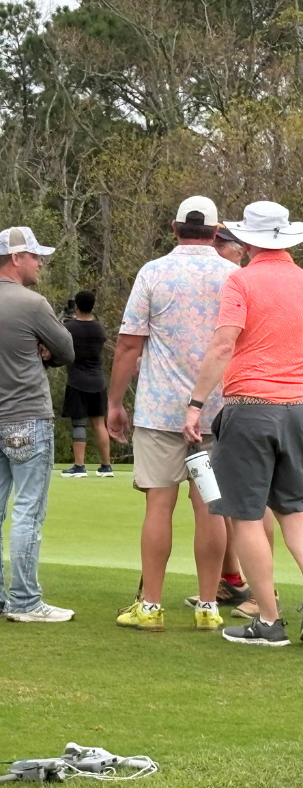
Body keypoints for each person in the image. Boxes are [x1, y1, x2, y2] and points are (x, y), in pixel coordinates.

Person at [108, 196, 231, 632]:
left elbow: (128, 344)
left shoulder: (153, 272)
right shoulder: (234, 276)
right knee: (211, 508)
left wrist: (114, 402)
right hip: (217, 413)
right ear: (217, 232)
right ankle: (208, 607)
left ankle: (152, 607)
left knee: (159, 506)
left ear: (175, 228)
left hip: (160, 411)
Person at [184, 201, 303, 647]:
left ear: (248, 240)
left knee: (247, 516)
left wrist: (195, 405)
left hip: (251, 408)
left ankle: (269, 623)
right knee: (295, 513)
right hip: (298, 408)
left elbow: (221, 346)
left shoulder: (241, 280)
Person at [0, 226, 76, 623]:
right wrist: (43, 353)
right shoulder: (32, 303)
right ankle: (26, 601)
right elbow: (67, 349)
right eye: (34, 256)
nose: (40, 262)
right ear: (16, 258)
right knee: (28, 510)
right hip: (27, 416)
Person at [59, 290, 113, 478]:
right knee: (99, 424)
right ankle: (106, 466)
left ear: (77, 306)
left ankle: (79, 466)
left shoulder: (69, 327)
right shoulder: (98, 329)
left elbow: (58, 337)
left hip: (78, 380)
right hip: (97, 381)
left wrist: (66, 318)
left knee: (78, 423)